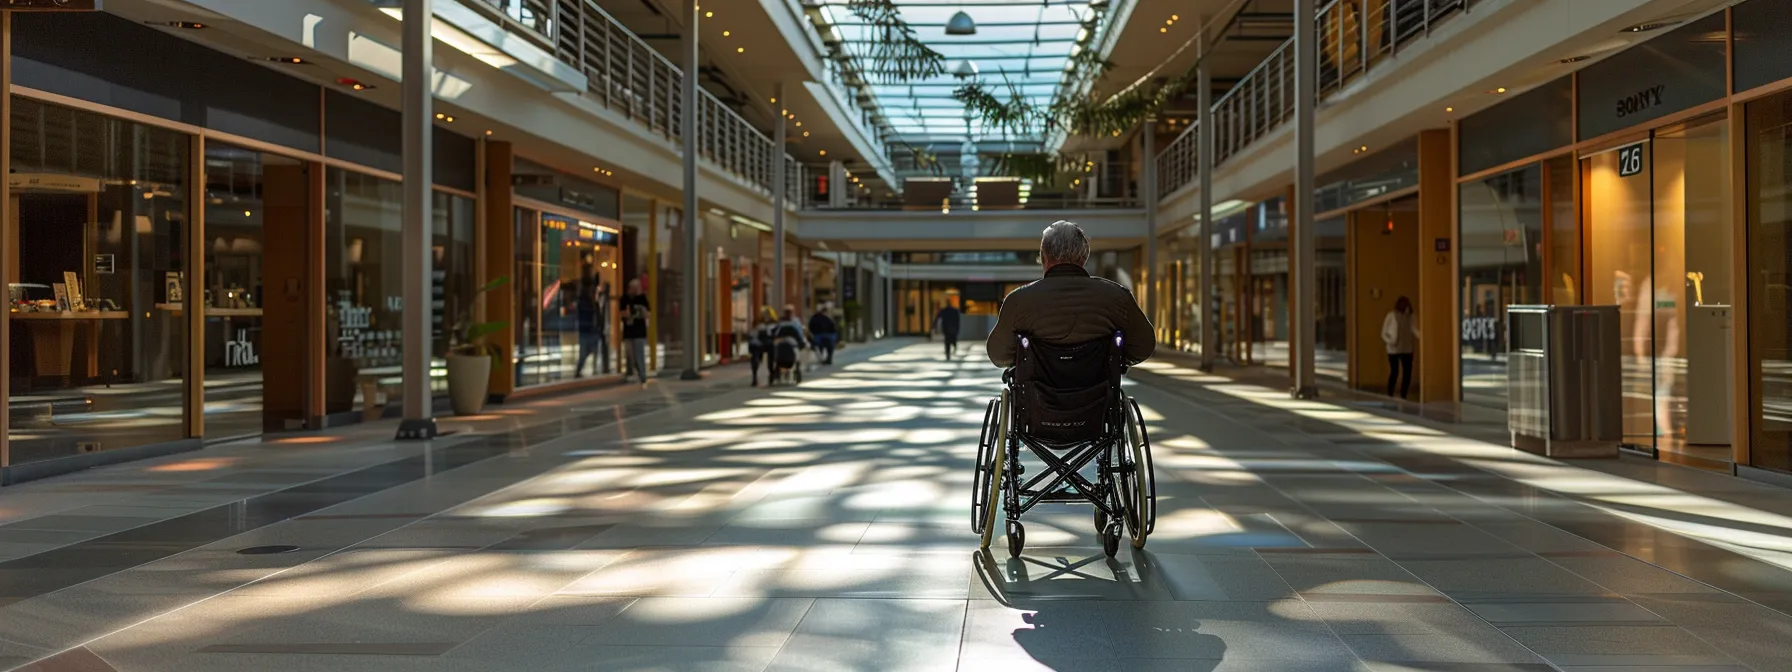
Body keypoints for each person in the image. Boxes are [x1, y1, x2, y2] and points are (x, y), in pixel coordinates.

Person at [987, 221, 1155, 368]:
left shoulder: (1018, 300)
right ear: (1084, 257)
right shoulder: (1117, 297)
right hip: (1101, 397)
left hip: (1037, 400)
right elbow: (1144, 346)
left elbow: (998, 355)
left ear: (1044, 257)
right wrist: (1113, 359)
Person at [574, 270, 609, 378]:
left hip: (590, 330)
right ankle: (581, 370)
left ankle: (595, 369)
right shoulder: (586, 302)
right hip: (587, 331)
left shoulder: (591, 301)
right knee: (586, 351)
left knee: (591, 350)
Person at [1381, 296, 1418, 399]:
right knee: (1395, 371)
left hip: (1407, 348)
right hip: (1393, 349)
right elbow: (1383, 332)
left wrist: (1423, 338)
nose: (1407, 309)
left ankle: (1403, 395)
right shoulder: (1391, 316)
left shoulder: (1411, 317)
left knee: (1407, 373)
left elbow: (1414, 329)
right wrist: (1390, 341)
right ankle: (1390, 393)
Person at [620, 278, 651, 385]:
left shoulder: (642, 299)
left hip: (639, 332)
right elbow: (622, 313)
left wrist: (641, 312)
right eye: (635, 288)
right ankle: (632, 373)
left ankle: (642, 375)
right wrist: (628, 315)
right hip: (628, 332)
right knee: (630, 355)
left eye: (638, 287)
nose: (637, 290)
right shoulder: (625, 298)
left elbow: (648, 313)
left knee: (639, 354)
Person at [771, 305, 808, 385]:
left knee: (776, 359)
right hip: (793, 344)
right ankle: (797, 371)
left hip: (781, 345)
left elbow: (774, 334)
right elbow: (800, 335)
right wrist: (802, 343)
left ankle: (776, 375)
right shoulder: (795, 323)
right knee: (797, 359)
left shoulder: (780, 323)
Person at [749, 306, 778, 387]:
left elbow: (776, 336)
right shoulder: (758, 324)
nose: (765, 316)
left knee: (772, 354)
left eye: (767, 314)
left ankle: (772, 373)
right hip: (759, 343)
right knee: (755, 356)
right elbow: (753, 334)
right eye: (764, 314)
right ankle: (755, 376)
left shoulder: (775, 325)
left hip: (770, 344)